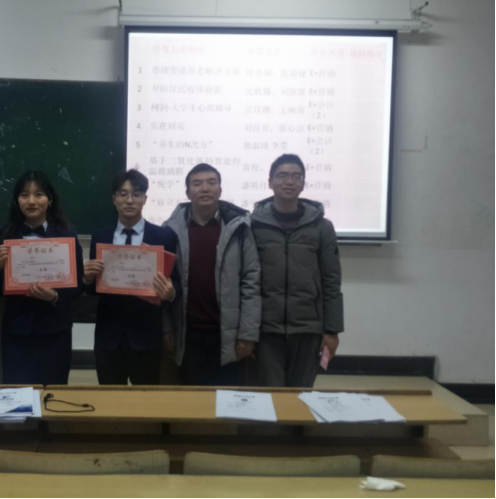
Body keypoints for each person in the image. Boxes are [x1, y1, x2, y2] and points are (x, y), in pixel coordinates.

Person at [163, 163, 261, 386]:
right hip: (187, 333)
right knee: (192, 398)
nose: (205, 188)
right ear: (188, 192)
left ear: (220, 189)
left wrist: (247, 334)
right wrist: (166, 327)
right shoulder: (170, 230)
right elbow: (165, 281)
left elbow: (251, 281)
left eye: (211, 182)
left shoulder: (239, 228)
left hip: (227, 333)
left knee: (226, 399)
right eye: (197, 183)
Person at [251, 154, 344, 388]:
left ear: (303, 183)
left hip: (308, 328)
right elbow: (245, 279)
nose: (289, 181)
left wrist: (332, 331)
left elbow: (331, 280)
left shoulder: (322, 227)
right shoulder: (253, 225)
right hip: (265, 329)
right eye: (282, 175)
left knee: (300, 396)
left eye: (296, 176)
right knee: (270, 395)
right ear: (270, 182)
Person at [84, 170, 177, 385]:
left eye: (136, 194)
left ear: (145, 198)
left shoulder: (163, 236)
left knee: (145, 400)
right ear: (114, 199)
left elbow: (177, 281)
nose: (129, 200)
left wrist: (171, 293)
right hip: (109, 336)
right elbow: (93, 289)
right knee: (109, 399)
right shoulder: (100, 236)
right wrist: (87, 278)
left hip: (147, 336)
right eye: (123, 194)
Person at [0, 170, 84, 385]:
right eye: (24, 195)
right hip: (16, 331)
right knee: (17, 393)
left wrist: (54, 297)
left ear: (50, 200)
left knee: (53, 393)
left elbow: (78, 285)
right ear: (17, 200)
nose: (31, 201)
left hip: (55, 330)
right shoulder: (5, 236)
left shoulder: (67, 237)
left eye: (39, 194)